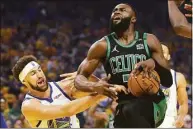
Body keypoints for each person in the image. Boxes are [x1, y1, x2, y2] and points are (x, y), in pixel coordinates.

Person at [73, 3, 173, 128]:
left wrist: (152, 63)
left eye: (122, 10)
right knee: (126, 112)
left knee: (132, 109)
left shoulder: (149, 40)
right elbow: (78, 79)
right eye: (114, 10)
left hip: (154, 102)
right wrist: (94, 86)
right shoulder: (102, 46)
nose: (117, 12)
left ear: (133, 18)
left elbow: (168, 80)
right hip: (124, 106)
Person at [11, 55, 125, 128]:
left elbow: (97, 89)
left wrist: (87, 77)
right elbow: (67, 110)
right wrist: (100, 94)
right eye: (32, 73)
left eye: (39, 70)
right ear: (24, 82)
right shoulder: (29, 106)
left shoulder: (64, 86)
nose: (39, 75)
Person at [158, 44, 188, 128]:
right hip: (149, 122)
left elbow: (183, 103)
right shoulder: (143, 76)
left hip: (168, 122)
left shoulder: (177, 77)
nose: (160, 54)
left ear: (168, 56)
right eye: (157, 52)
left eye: (163, 52)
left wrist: (181, 118)